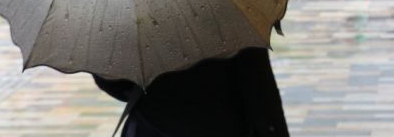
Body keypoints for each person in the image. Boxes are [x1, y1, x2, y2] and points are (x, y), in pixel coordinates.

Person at [94, 48, 289, 136]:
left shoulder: (126, 9)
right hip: (223, 125)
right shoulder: (232, 4)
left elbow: (113, 83)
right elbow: (261, 91)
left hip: (153, 126)